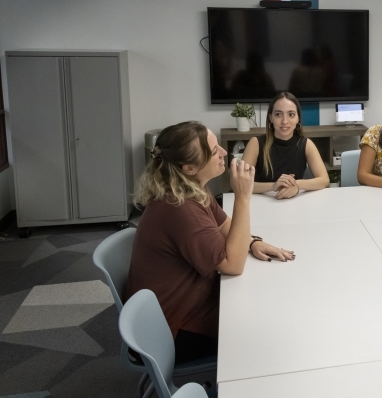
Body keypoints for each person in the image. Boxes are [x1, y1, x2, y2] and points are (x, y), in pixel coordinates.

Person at [125, 121, 295, 363]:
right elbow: (232, 265)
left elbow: (226, 227)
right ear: (189, 168)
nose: (224, 153)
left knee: (267, 304)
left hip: (189, 303)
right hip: (170, 331)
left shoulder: (190, 188)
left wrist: (252, 242)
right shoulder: (178, 207)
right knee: (265, 333)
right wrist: (242, 197)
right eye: (215, 151)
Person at [243, 92, 329, 198]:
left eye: (291, 114)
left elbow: (324, 180)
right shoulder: (255, 143)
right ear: (270, 117)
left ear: (298, 118)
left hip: (294, 203)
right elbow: (240, 183)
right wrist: (273, 186)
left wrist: (297, 185)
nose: (284, 121)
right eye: (278, 114)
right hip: (260, 203)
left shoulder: (306, 144)